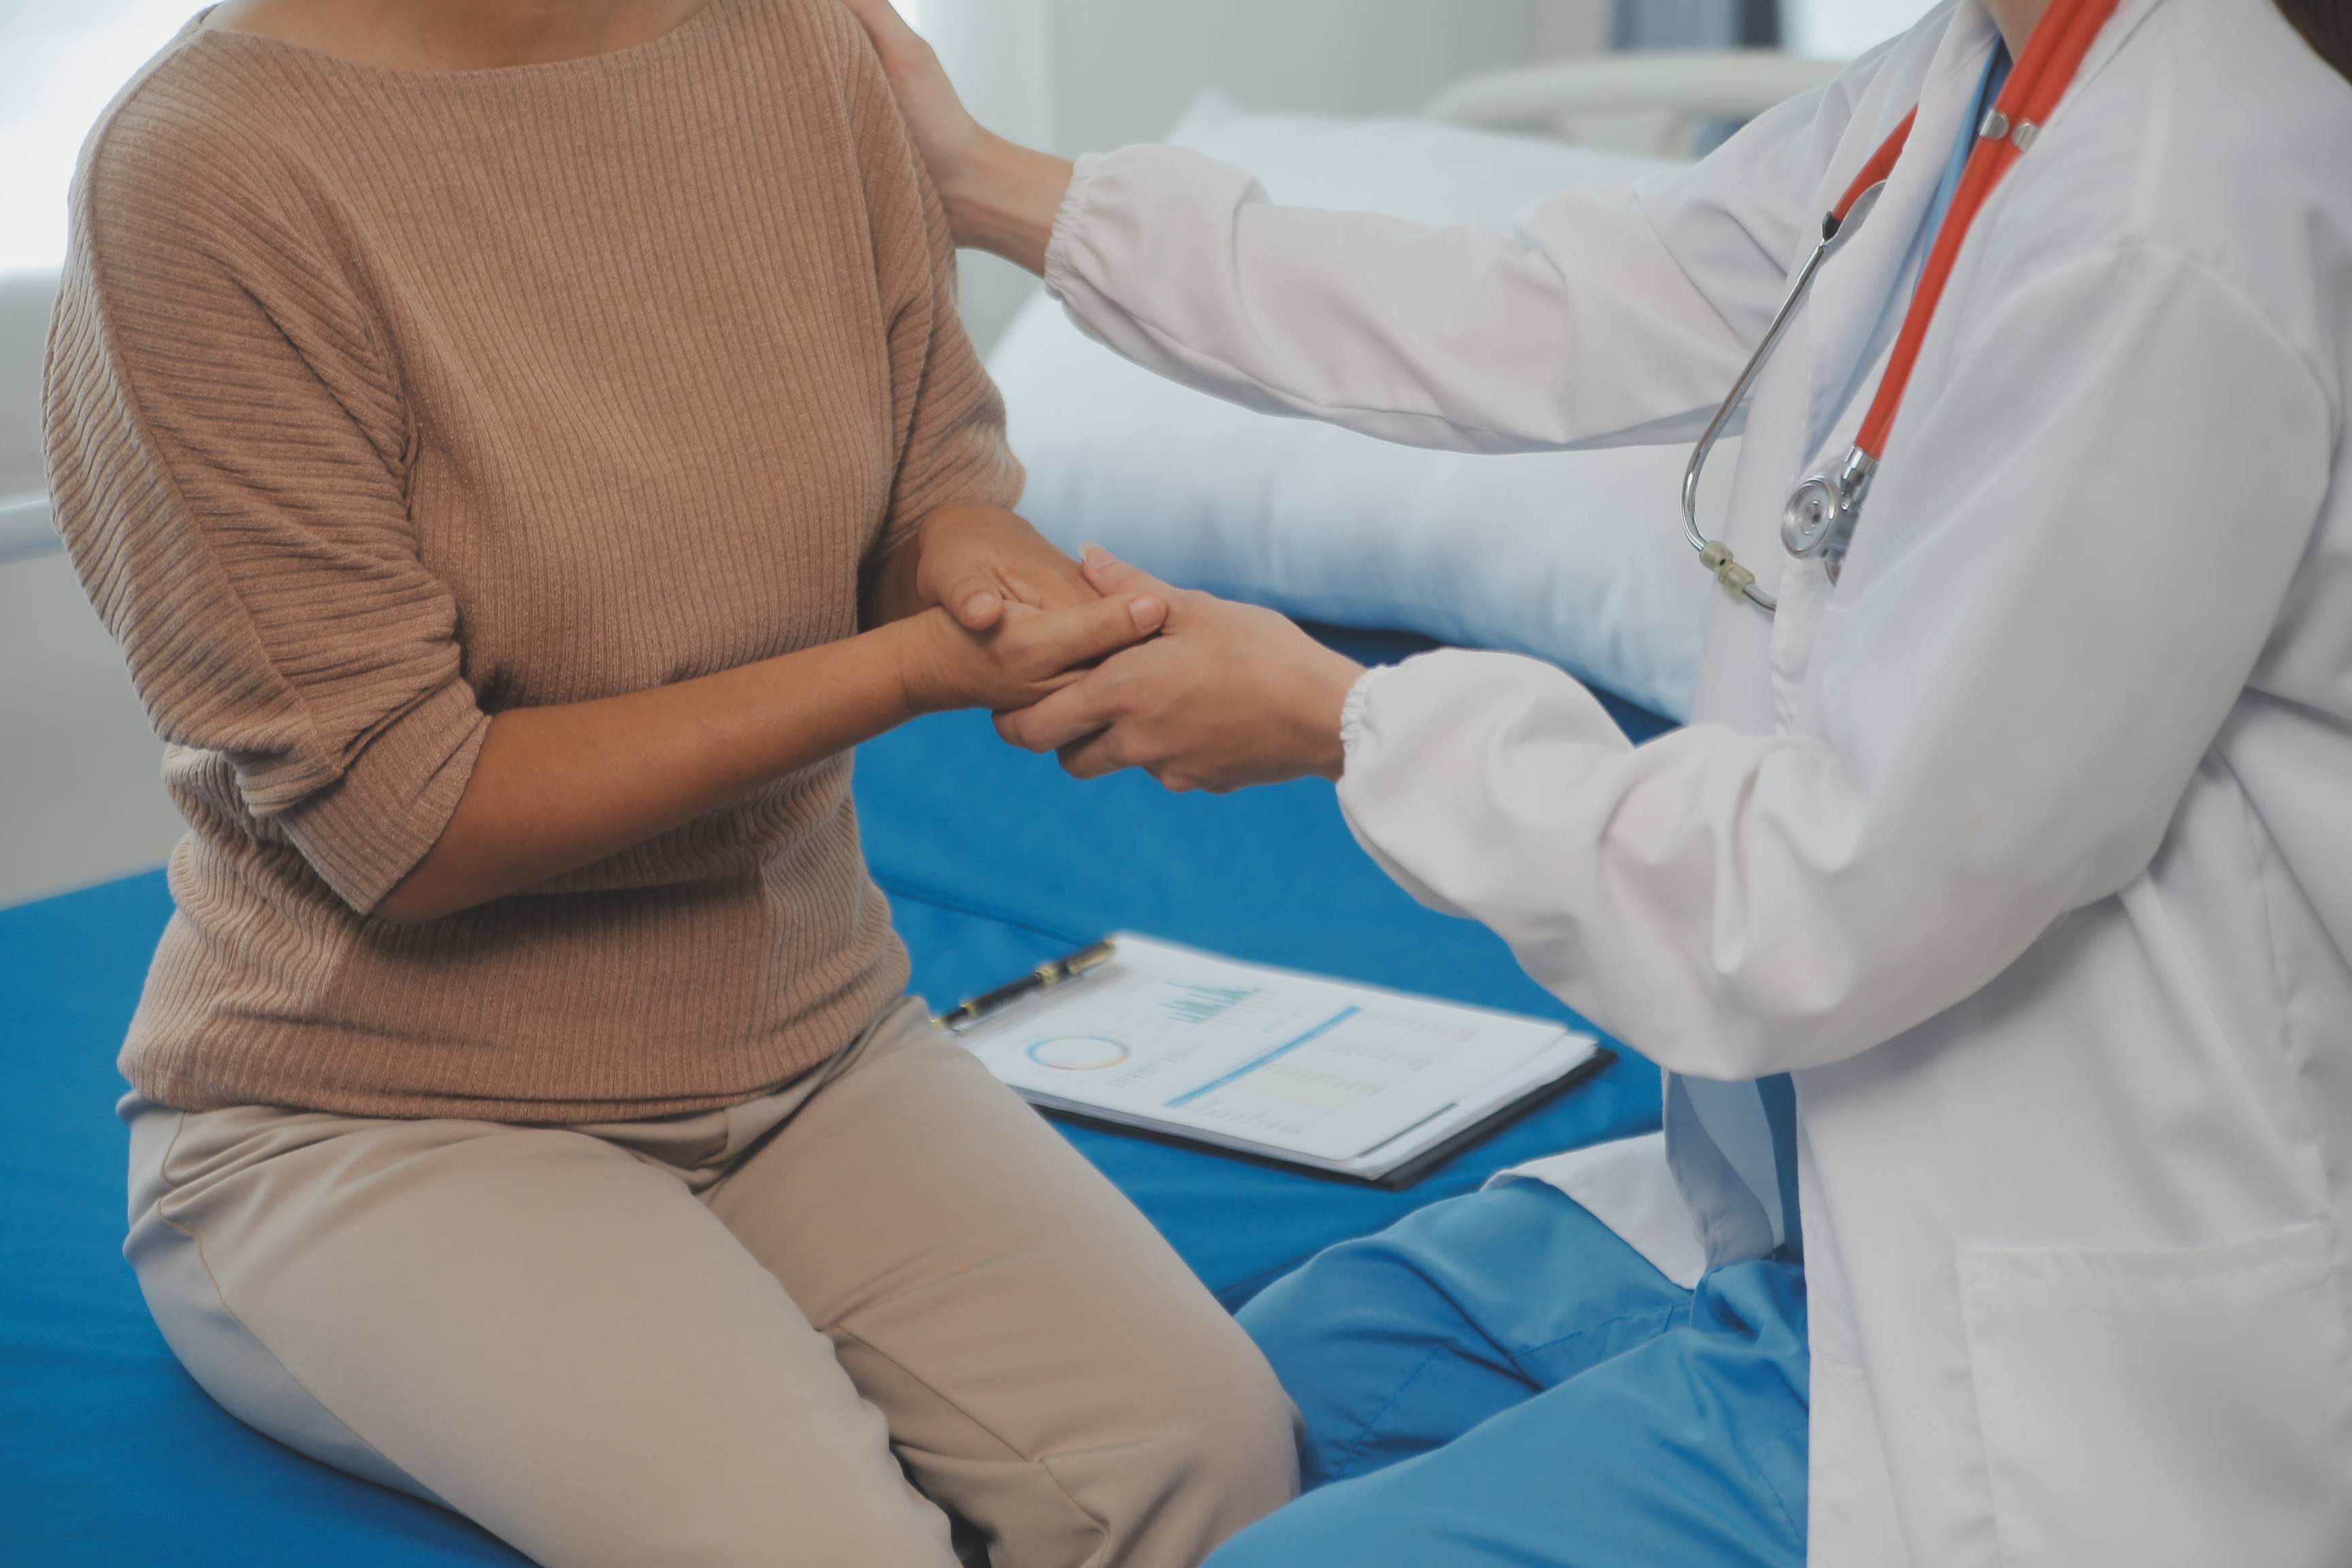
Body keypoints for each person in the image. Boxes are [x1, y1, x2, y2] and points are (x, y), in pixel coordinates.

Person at [840, 0, 2352, 1561]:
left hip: (2024, 1331)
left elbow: (1834, 894)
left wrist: (1347, 720)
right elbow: (1544, 304)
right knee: (1219, 1415)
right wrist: (985, 180)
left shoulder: (2176, 223)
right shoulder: (1979, 78)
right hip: (1784, 1218)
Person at [42, 1, 1300, 1563]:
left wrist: (1001, 592)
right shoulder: (204, 171)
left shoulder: (800, 49)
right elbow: (408, 821)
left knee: (1218, 1470)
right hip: (379, 1113)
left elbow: (932, 480)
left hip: (814, 1039)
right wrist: (915, 667)